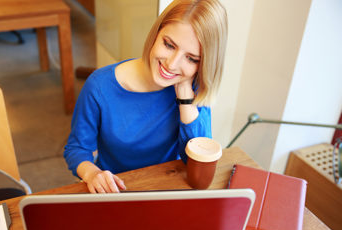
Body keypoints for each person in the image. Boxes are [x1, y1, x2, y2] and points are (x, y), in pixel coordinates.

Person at [64, 0, 228, 194]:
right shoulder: (99, 86)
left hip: (167, 189)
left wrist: (184, 97)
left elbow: (197, 164)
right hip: (116, 190)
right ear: (156, 34)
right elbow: (76, 149)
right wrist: (92, 173)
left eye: (191, 58)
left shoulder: (193, 90)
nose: (172, 64)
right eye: (169, 45)